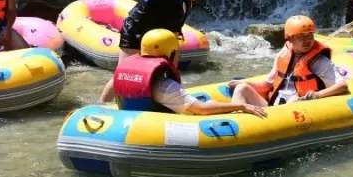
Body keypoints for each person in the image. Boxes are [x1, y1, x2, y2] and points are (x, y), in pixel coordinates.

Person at [99, 0, 206, 102]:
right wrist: (173, 69)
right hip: (135, 32)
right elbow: (172, 39)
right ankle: (103, 104)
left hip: (152, 35)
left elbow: (174, 33)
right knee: (124, 73)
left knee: (156, 73)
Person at [108, 29, 266, 117]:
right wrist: (242, 106)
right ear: (169, 54)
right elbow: (202, 110)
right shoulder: (165, 87)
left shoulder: (125, 72)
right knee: (209, 106)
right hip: (150, 136)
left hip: (130, 121)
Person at [230, 15, 349, 107]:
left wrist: (318, 94)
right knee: (242, 88)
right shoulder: (284, 54)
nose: (307, 40)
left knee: (294, 100)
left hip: (298, 110)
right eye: (301, 36)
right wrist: (244, 83)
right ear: (290, 38)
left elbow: (342, 86)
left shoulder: (318, 61)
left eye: (310, 36)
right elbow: (267, 85)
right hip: (274, 107)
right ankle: (235, 125)